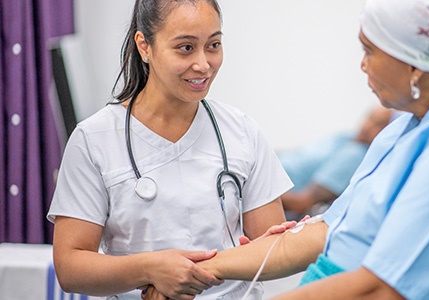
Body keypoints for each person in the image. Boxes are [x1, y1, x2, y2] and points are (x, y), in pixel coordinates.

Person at [143, 0, 429, 299]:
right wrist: (193, 272)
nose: (363, 65)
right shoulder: (407, 126)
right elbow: (323, 233)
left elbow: (380, 289)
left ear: (415, 64)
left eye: (370, 51)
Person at [46, 1, 295, 299]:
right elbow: (70, 267)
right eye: (186, 48)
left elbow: (276, 251)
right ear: (145, 46)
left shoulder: (242, 131)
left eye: (213, 45)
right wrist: (150, 270)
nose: (203, 64)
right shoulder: (93, 140)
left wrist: (190, 273)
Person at [279, 106, 393, 220]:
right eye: (370, 118)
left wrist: (266, 190)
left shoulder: (355, 156)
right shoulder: (345, 137)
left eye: (379, 124)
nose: (369, 126)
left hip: (276, 191)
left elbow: (301, 203)